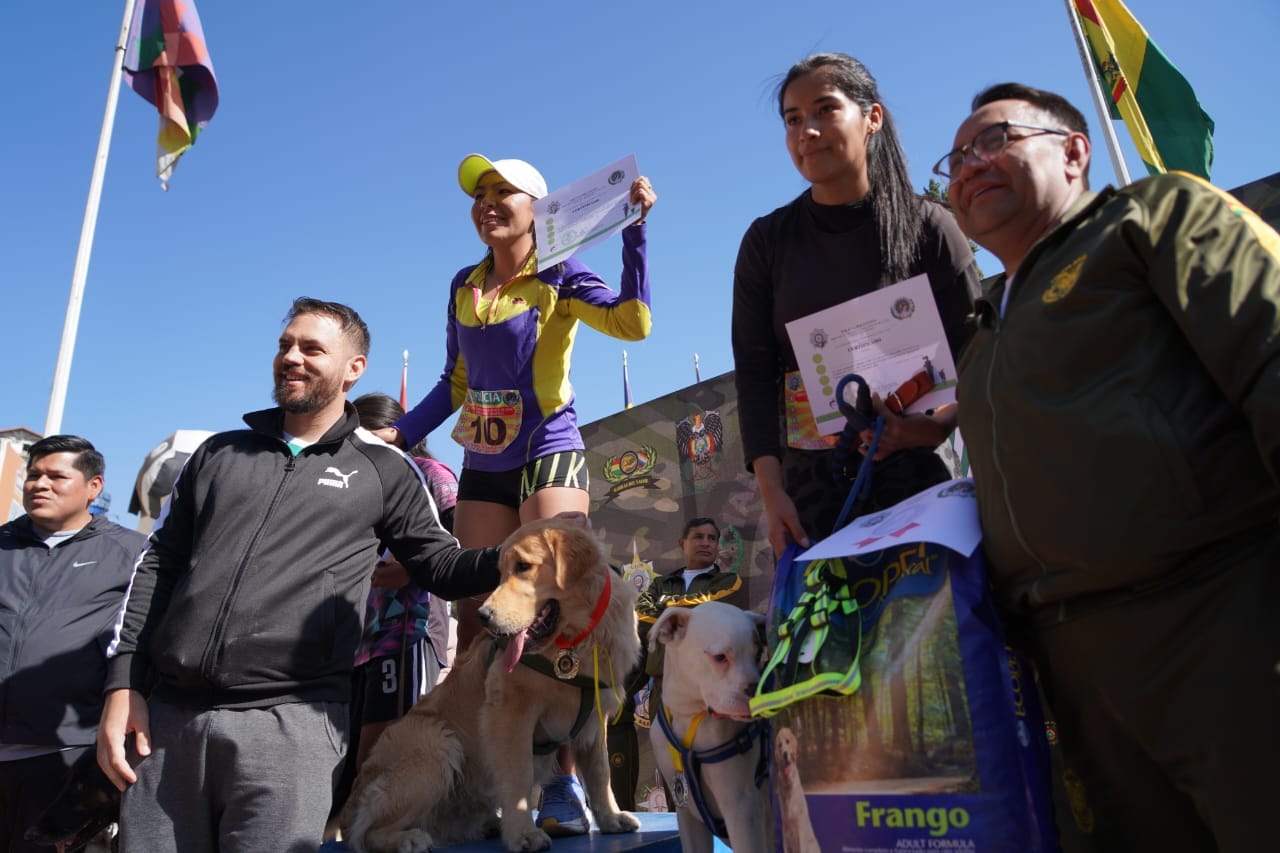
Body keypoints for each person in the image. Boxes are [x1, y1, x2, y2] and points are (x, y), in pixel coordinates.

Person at [941, 82, 1280, 851]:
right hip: (1076, 677)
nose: (970, 166)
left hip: (1222, 622)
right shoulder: (985, 340)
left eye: (995, 141)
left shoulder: (1155, 216)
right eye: (957, 158)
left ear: (1073, 150)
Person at [96, 298, 503, 853]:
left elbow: (439, 565)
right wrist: (125, 685)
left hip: (293, 728)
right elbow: (157, 568)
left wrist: (516, 555)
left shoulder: (386, 469)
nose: (292, 357)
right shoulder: (218, 453)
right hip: (167, 724)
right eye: (285, 344)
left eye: (312, 348)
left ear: (353, 369)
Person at [380, 153, 657, 836]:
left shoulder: (559, 273)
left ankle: (564, 783)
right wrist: (398, 438)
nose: (488, 203)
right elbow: (453, 383)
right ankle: (491, 780)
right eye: (479, 194)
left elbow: (633, 324)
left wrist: (634, 234)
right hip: (483, 457)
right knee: (482, 619)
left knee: (563, 604)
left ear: (540, 207)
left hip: (548, 448)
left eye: (504, 192)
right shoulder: (463, 284)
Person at [731, 52, 981, 557]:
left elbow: (978, 350)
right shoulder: (766, 241)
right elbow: (755, 372)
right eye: (793, 119)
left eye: (825, 110)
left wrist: (933, 427)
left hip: (920, 482)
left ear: (872, 118)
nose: (808, 131)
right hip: (810, 498)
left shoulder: (931, 226)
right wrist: (772, 491)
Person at [0, 436, 147, 852]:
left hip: (65, 760)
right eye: (33, 475)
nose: (39, 484)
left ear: (94, 487)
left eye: (56, 476)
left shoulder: (132, 554)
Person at [327, 392, 460, 824]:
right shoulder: (351, 482)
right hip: (352, 645)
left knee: (385, 755)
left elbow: (459, 537)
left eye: (359, 435)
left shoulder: (429, 473)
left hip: (405, 635)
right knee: (346, 762)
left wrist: (410, 567)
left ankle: (396, 830)